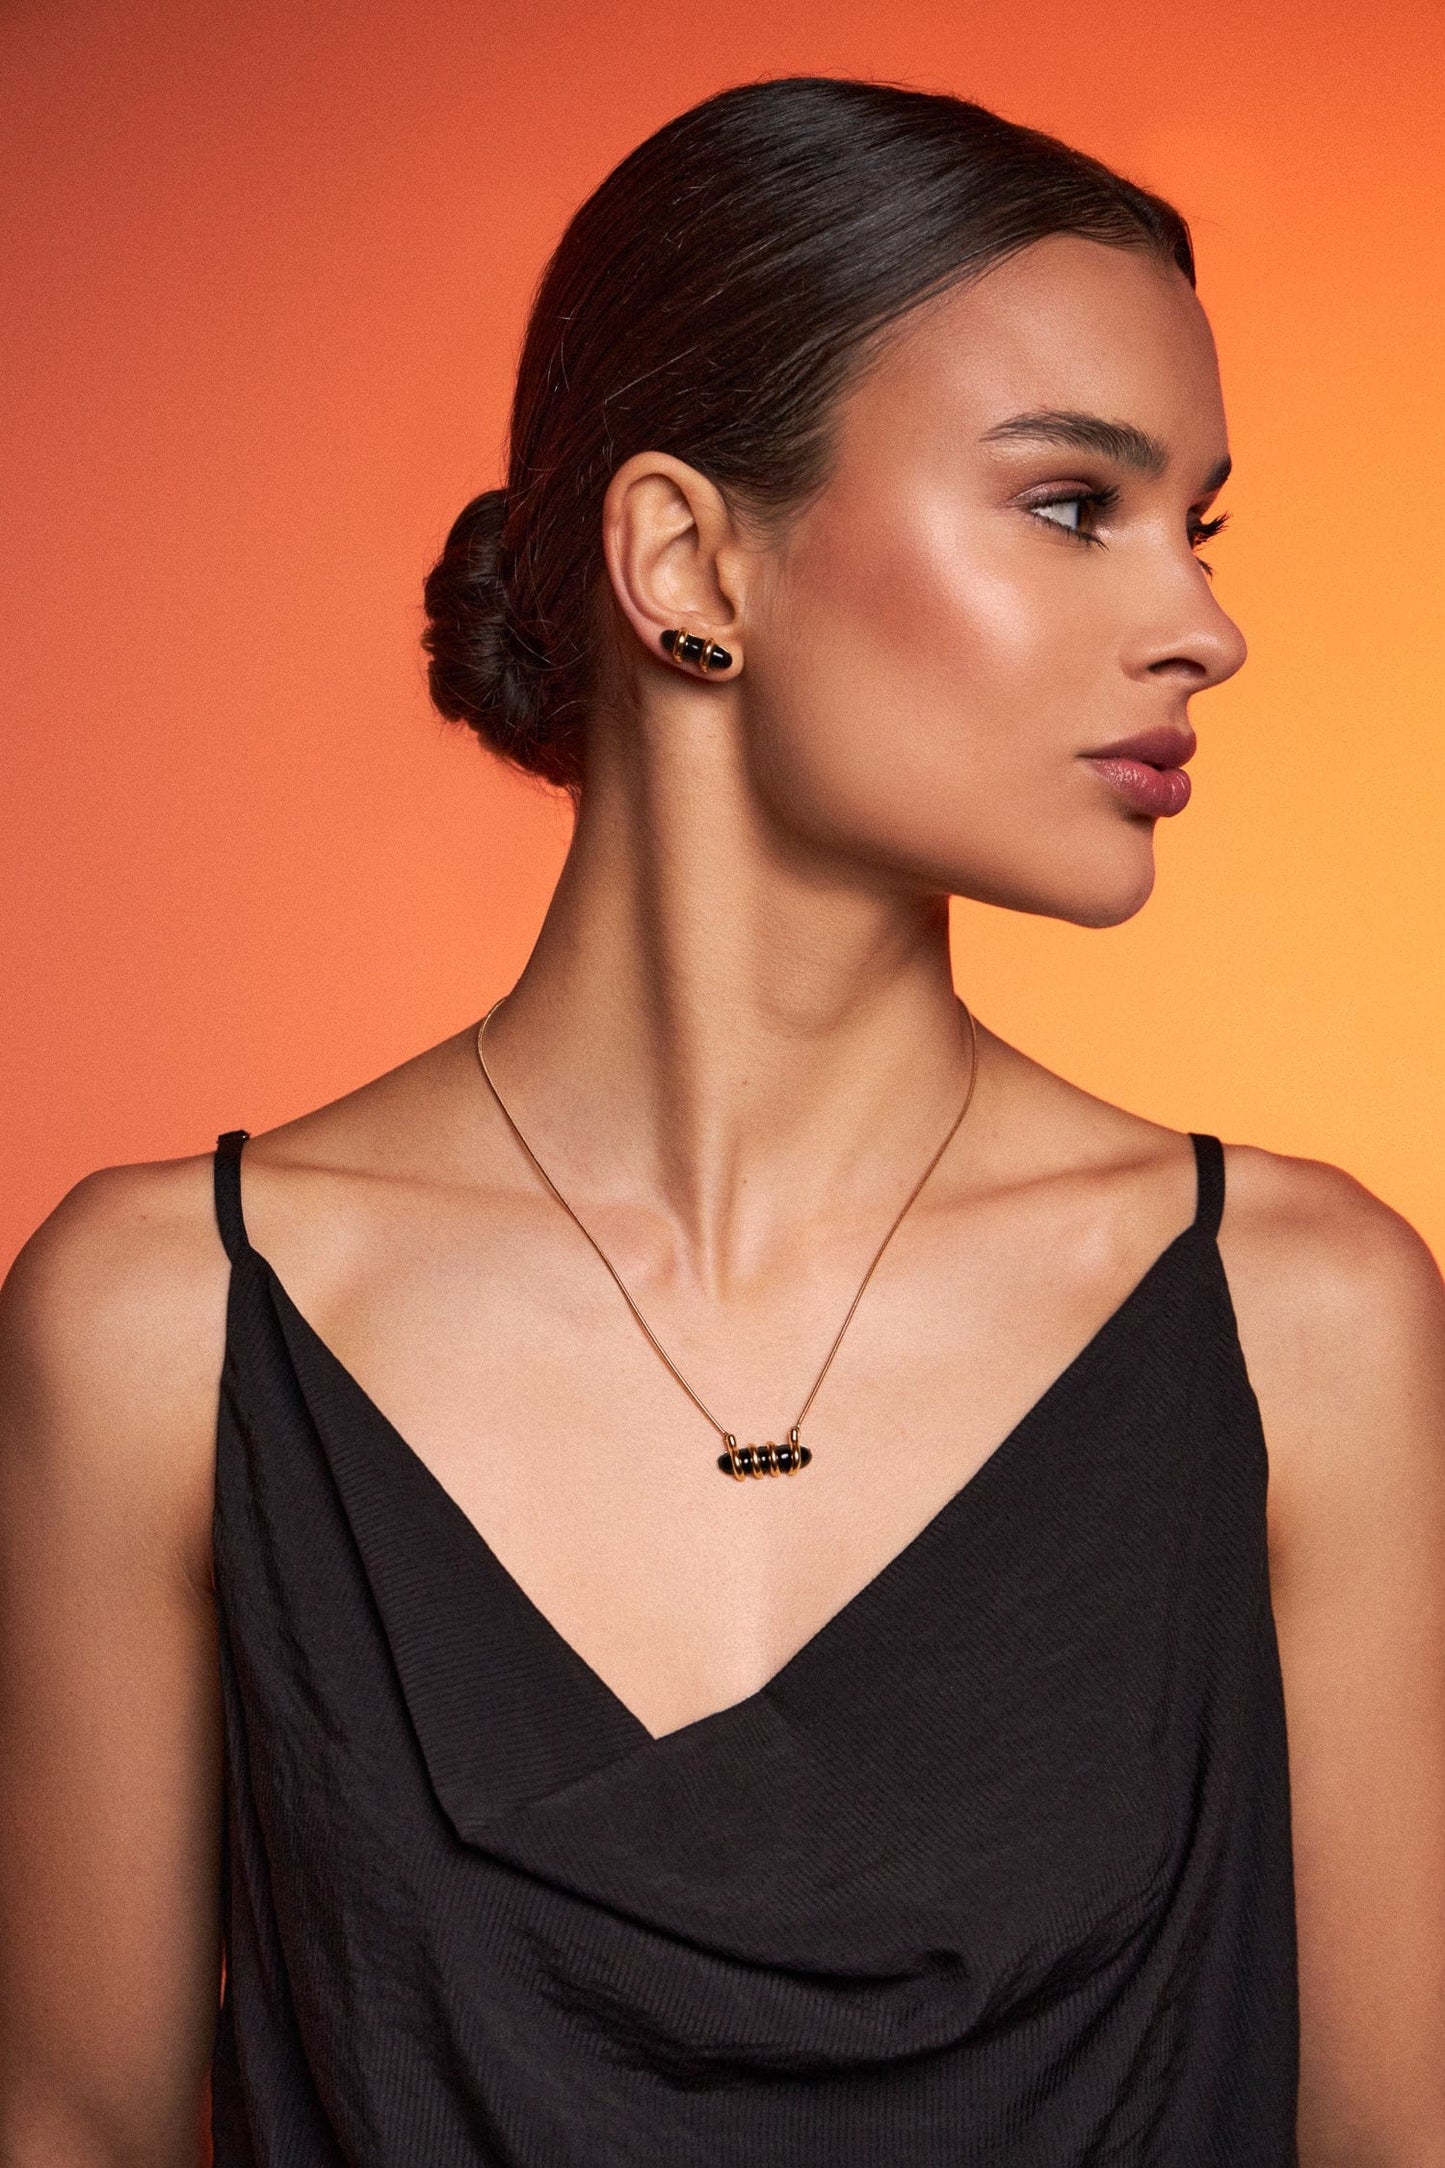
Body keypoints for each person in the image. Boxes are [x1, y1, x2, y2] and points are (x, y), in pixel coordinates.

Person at [1, 73, 1441, 2168]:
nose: (1203, 628)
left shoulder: (1306, 1324)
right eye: (1071, 504)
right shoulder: (161, 1329)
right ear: (688, 559)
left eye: (1196, 529)